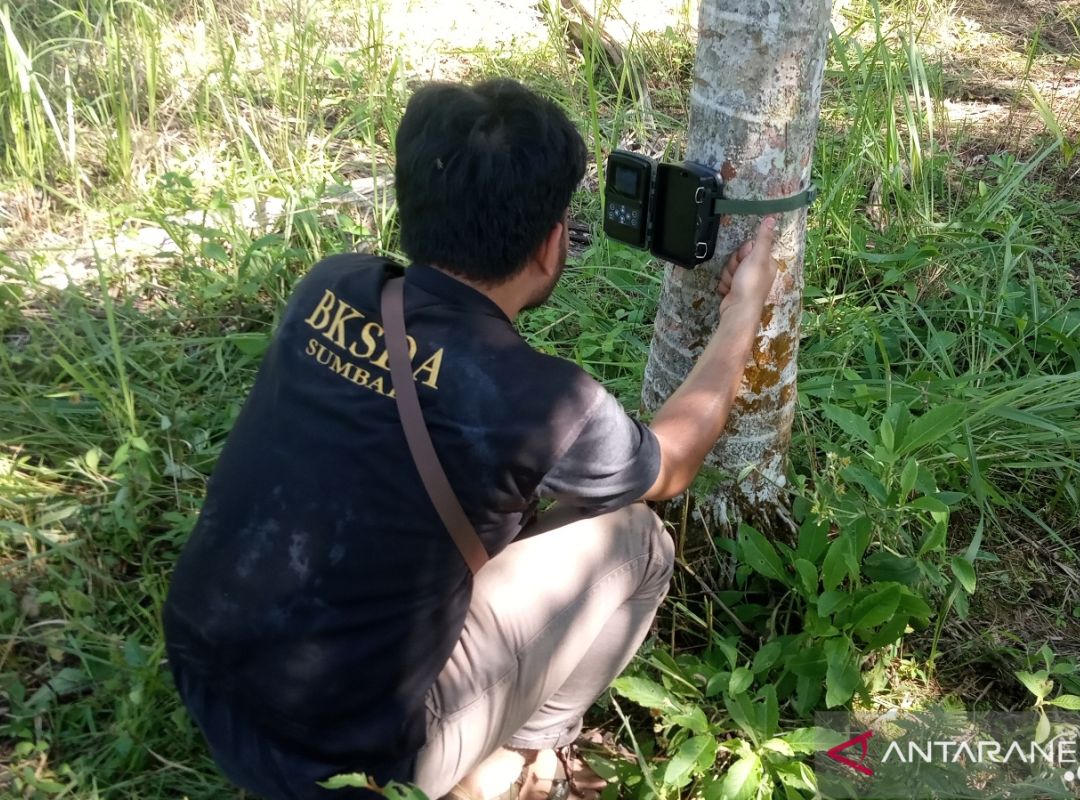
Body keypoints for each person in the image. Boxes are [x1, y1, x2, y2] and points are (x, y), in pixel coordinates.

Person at [162, 77, 780, 800]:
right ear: (552, 247)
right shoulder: (546, 403)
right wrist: (743, 313)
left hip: (211, 680)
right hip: (355, 764)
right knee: (638, 540)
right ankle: (517, 762)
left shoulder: (328, 286)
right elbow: (673, 462)